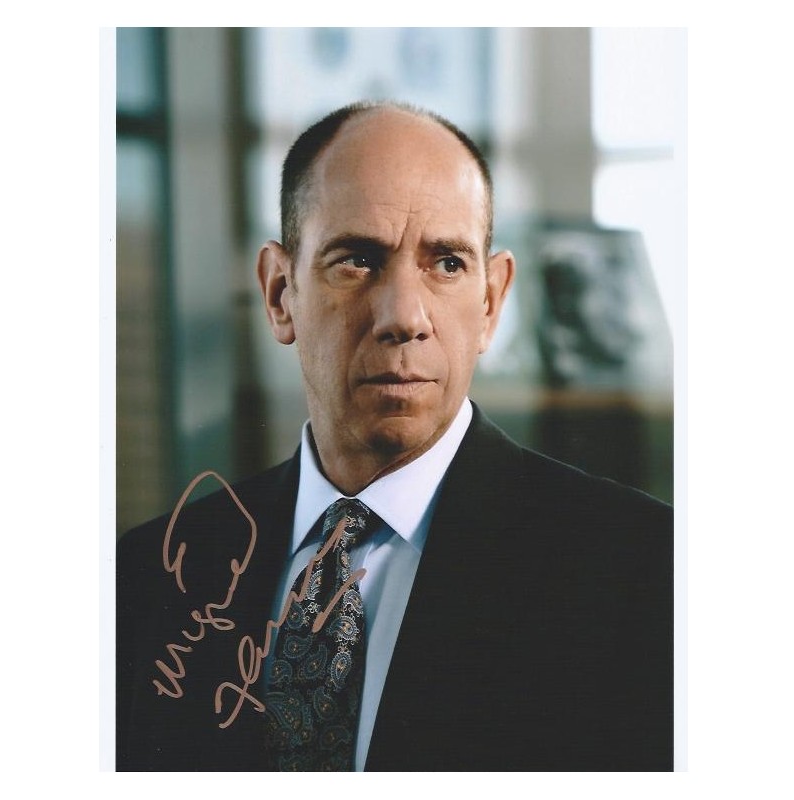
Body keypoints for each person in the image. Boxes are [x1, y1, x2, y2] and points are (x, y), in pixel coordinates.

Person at [117, 101, 673, 772]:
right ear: (280, 293)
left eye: (447, 264)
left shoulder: (649, 574)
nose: (404, 316)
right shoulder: (144, 580)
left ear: (491, 301)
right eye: (357, 260)